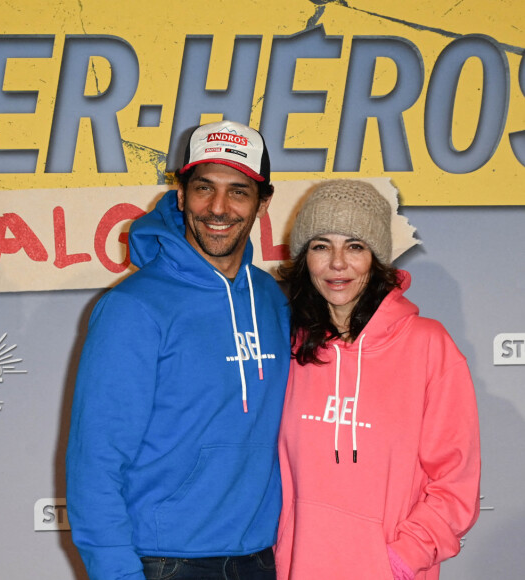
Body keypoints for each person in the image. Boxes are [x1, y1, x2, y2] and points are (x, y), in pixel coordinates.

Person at [66, 120, 290, 580]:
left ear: (262, 203)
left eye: (239, 192)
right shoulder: (133, 308)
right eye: (204, 188)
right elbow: (96, 461)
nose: (219, 208)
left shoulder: (272, 299)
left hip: (260, 558)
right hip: (165, 562)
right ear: (181, 193)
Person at [274, 180, 480, 580]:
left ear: (376, 258)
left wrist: (398, 560)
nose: (337, 263)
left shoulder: (428, 345)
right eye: (321, 246)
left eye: (354, 246)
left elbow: (455, 481)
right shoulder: (289, 344)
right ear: (304, 258)